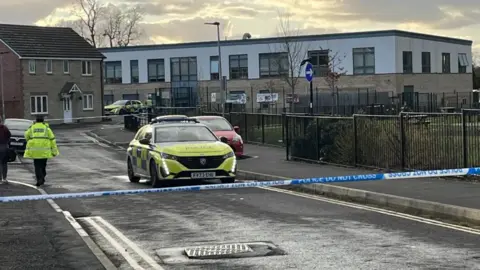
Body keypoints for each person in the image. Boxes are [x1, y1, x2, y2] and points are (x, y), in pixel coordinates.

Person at [23, 115, 59, 187]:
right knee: (43, 165)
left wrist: (31, 141)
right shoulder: (46, 128)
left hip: (35, 151)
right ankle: (42, 177)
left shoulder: (32, 128)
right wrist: (54, 152)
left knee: (37, 166)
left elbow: (26, 135)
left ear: (36, 120)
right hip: (44, 151)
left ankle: (39, 179)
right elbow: (52, 140)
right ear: (43, 120)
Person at [0, 118, 11, 183]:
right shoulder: (4, 128)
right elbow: (9, 135)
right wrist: (7, 142)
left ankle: (0, 179)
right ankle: (4, 178)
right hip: (4, 147)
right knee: (4, 163)